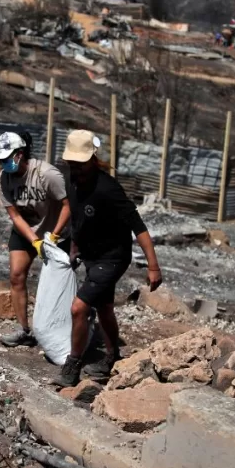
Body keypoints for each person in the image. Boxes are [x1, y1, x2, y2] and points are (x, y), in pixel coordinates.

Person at [54, 130, 162, 388]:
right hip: (92, 256)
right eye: (72, 165)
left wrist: (153, 266)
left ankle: (73, 365)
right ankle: (112, 357)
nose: (76, 170)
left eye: (80, 165)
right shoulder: (72, 181)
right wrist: (72, 245)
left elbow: (139, 226)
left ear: (93, 159)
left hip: (113, 257)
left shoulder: (108, 188)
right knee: (104, 308)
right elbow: (76, 213)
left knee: (79, 307)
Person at [0, 131, 72, 348]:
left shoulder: (47, 174)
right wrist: (34, 241)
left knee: (58, 284)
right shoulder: (4, 178)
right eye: (0, 160)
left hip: (57, 233)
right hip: (25, 230)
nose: (4, 163)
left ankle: (63, 330)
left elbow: (67, 206)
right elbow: (14, 215)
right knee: (17, 276)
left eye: (7, 158)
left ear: (20, 154)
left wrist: (53, 237)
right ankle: (24, 330)